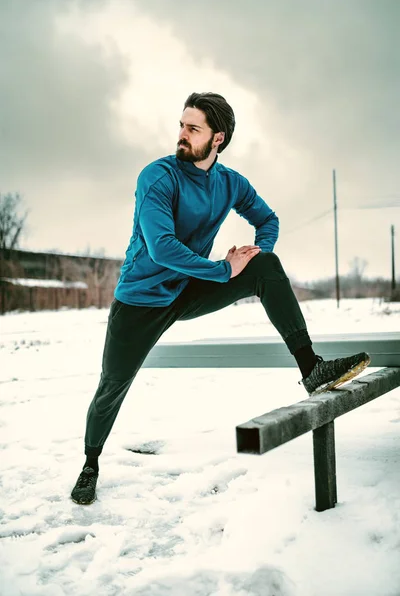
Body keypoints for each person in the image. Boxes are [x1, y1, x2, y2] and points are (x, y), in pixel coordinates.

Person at [71, 92, 370, 505]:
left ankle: (311, 368)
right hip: (140, 301)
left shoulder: (230, 184)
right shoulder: (157, 178)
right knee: (112, 386)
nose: (181, 134)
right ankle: (91, 463)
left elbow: (267, 219)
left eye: (192, 128)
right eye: (181, 125)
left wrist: (253, 254)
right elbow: (161, 247)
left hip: (188, 289)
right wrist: (223, 270)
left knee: (267, 267)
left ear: (217, 139)